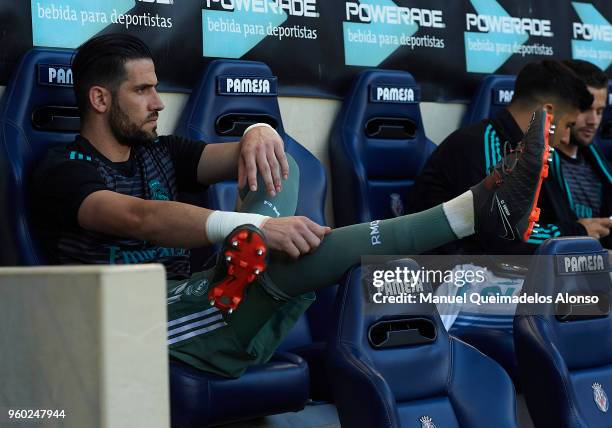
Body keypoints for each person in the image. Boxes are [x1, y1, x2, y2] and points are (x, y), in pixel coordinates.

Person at [31, 34, 552, 378]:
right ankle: (467, 213)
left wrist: (259, 131)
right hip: (130, 325)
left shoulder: (161, 151)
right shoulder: (63, 169)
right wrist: (257, 227)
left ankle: (470, 213)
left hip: (208, 304)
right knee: (279, 251)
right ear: (100, 100)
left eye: (157, 88)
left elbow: (253, 157)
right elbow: (136, 217)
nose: (159, 102)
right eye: (143, 90)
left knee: (282, 164)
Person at [409, 59, 605, 254]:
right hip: (449, 275)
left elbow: (549, 220)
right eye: (568, 125)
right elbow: (504, 237)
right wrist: (577, 233)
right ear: (547, 113)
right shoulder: (481, 144)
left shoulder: (531, 153)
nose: (565, 137)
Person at [557, 60, 611, 248]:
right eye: (586, 109)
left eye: (600, 111)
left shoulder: (601, 167)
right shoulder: (536, 163)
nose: (593, 121)